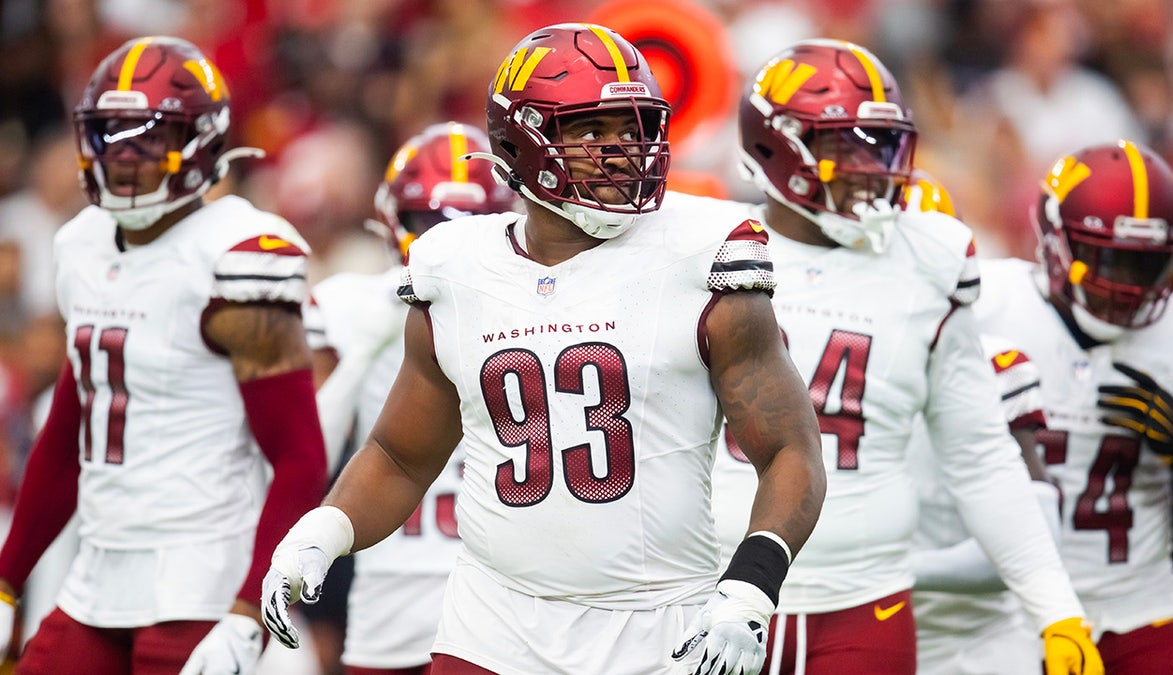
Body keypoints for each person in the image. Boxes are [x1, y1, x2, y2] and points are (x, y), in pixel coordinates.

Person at [262, 22, 828, 675]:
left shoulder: (701, 252)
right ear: (520, 142)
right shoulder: (455, 265)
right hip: (493, 625)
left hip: (657, 626)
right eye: (593, 131)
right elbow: (400, 453)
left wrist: (751, 584)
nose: (624, 150)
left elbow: (790, 447)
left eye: (636, 125)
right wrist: (324, 529)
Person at [711, 38, 1101, 675]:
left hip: (865, 603)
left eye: (880, 143)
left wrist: (1056, 610)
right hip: (714, 593)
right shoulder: (706, 247)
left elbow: (979, 455)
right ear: (773, 146)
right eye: (845, 145)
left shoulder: (928, 257)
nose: (872, 165)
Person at [0, 35, 327, 674]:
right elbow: (70, 429)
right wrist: (8, 579)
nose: (124, 159)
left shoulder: (237, 255)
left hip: (200, 581)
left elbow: (299, 458)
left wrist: (250, 606)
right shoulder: (82, 246)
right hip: (95, 575)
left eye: (150, 136)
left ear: (203, 141)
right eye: (109, 135)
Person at [973, 139, 1173, 674]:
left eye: (1148, 268)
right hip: (1004, 608)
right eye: (1110, 260)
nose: (1128, 288)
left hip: (1136, 605)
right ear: (1055, 244)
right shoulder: (988, 305)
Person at [306, 121, 518, 675]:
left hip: (503, 597)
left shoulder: (544, 307)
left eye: (472, 221)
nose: (448, 239)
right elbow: (304, 454)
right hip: (390, 602)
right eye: (429, 222)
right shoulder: (351, 308)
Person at [902, 176, 1061, 674]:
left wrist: (888, 569)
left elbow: (1033, 535)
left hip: (976, 645)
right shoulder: (822, 353)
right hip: (860, 626)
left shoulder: (995, 367)